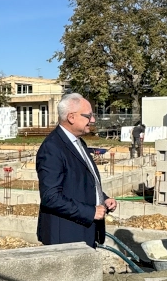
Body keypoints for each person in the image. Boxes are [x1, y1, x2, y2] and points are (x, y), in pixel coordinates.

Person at [36, 92, 117, 248]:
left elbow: (81, 181)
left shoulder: (78, 142)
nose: (92, 120)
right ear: (71, 117)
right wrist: (90, 212)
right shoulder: (52, 148)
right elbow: (50, 197)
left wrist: (103, 199)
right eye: (88, 116)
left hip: (82, 232)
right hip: (66, 237)